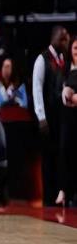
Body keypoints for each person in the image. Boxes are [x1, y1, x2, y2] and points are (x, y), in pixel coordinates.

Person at [32, 25, 69, 205]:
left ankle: (58, 195)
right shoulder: (42, 59)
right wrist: (41, 117)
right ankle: (47, 199)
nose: (66, 42)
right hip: (47, 116)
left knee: (60, 156)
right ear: (55, 39)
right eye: (64, 38)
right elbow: (37, 88)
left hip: (61, 115)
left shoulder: (62, 59)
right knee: (48, 158)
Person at [58, 37, 77, 206]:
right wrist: (65, 93)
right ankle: (64, 190)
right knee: (65, 151)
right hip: (67, 117)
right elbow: (61, 89)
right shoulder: (65, 69)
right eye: (75, 48)